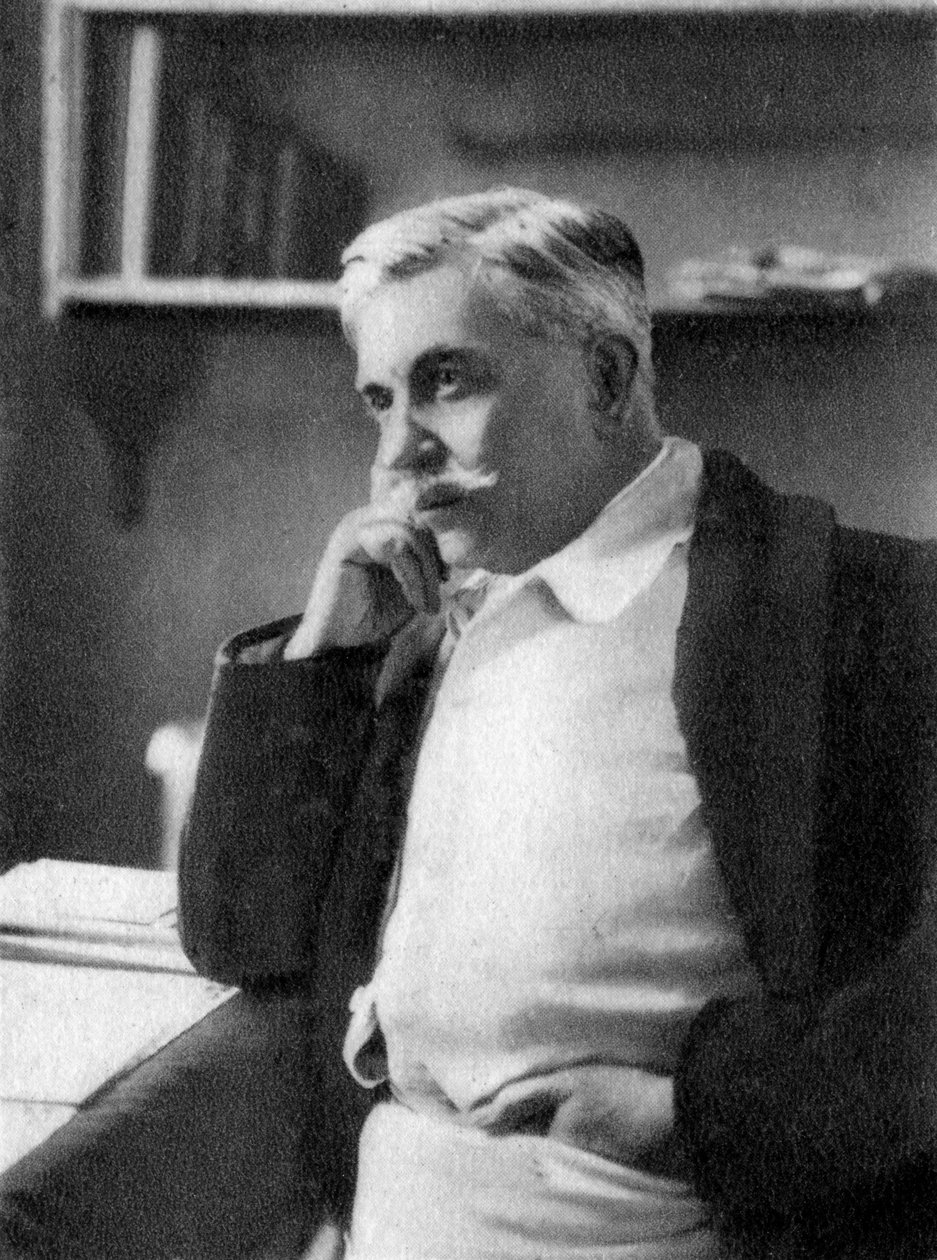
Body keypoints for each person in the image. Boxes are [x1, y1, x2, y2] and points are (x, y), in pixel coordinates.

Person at [180, 189, 937, 1260]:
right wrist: (324, 656)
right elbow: (236, 936)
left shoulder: (851, 606)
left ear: (607, 378)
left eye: (446, 382)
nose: (398, 453)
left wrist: (694, 1117)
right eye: (379, 401)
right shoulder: (426, 618)